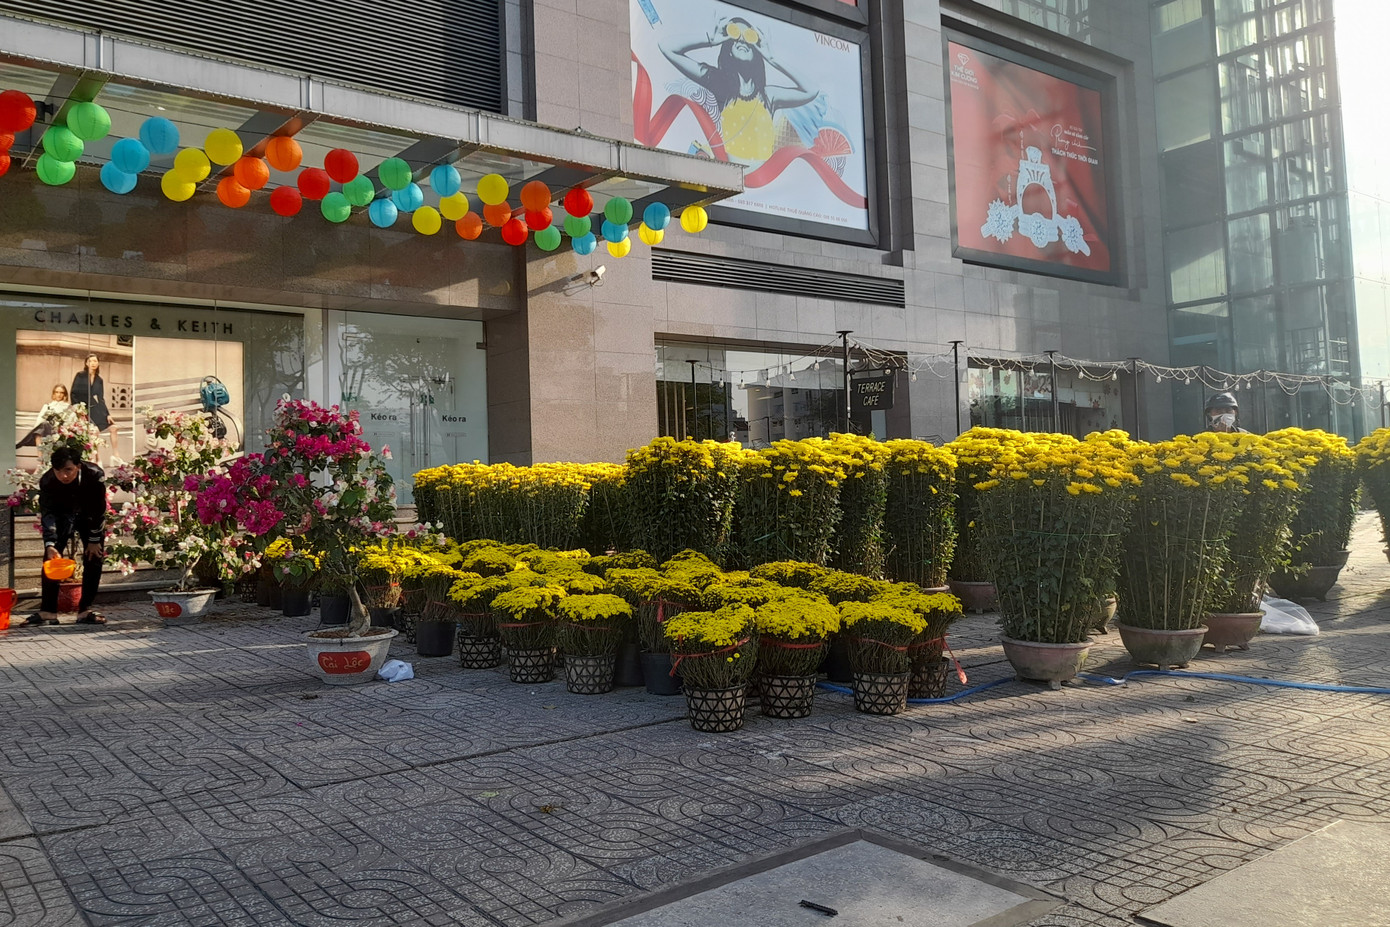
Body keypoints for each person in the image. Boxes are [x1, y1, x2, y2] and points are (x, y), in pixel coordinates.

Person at [661, 18, 818, 162]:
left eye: (748, 37)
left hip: (761, 179)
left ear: (756, 51)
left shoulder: (768, 96)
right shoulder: (718, 84)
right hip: (728, 175)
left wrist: (772, 58)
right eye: (736, 35)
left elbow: (811, 90)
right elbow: (667, 47)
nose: (742, 40)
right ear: (729, 49)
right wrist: (710, 39)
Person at [24, 445, 107, 626]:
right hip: (62, 516)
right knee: (51, 559)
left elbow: (99, 508)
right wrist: (50, 543)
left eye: (68, 470)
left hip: (89, 516)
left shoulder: (94, 474)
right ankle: (48, 612)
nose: (64, 475)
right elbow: (48, 514)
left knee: (94, 556)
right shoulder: (47, 481)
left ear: (78, 466)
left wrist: (94, 539)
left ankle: (86, 610)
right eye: (58, 471)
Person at [70, 353, 117, 461]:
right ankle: (97, 459)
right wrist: (77, 410)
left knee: (114, 428)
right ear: (86, 363)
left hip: (95, 409)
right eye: (90, 361)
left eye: (95, 361)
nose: (93, 363)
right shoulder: (80, 375)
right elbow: (73, 393)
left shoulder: (99, 380)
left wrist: (107, 414)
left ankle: (116, 456)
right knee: (95, 431)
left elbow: (100, 398)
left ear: (98, 363)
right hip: (82, 410)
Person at [15, 384, 70, 449]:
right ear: (54, 394)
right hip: (47, 432)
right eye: (57, 392)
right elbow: (40, 420)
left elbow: (69, 422)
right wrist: (34, 430)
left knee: (43, 426)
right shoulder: (48, 406)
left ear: (65, 394)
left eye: (61, 392)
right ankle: (39, 454)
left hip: (61, 432)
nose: (59, 394)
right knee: (41, 428)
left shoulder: (68, 407)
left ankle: (22, 443)